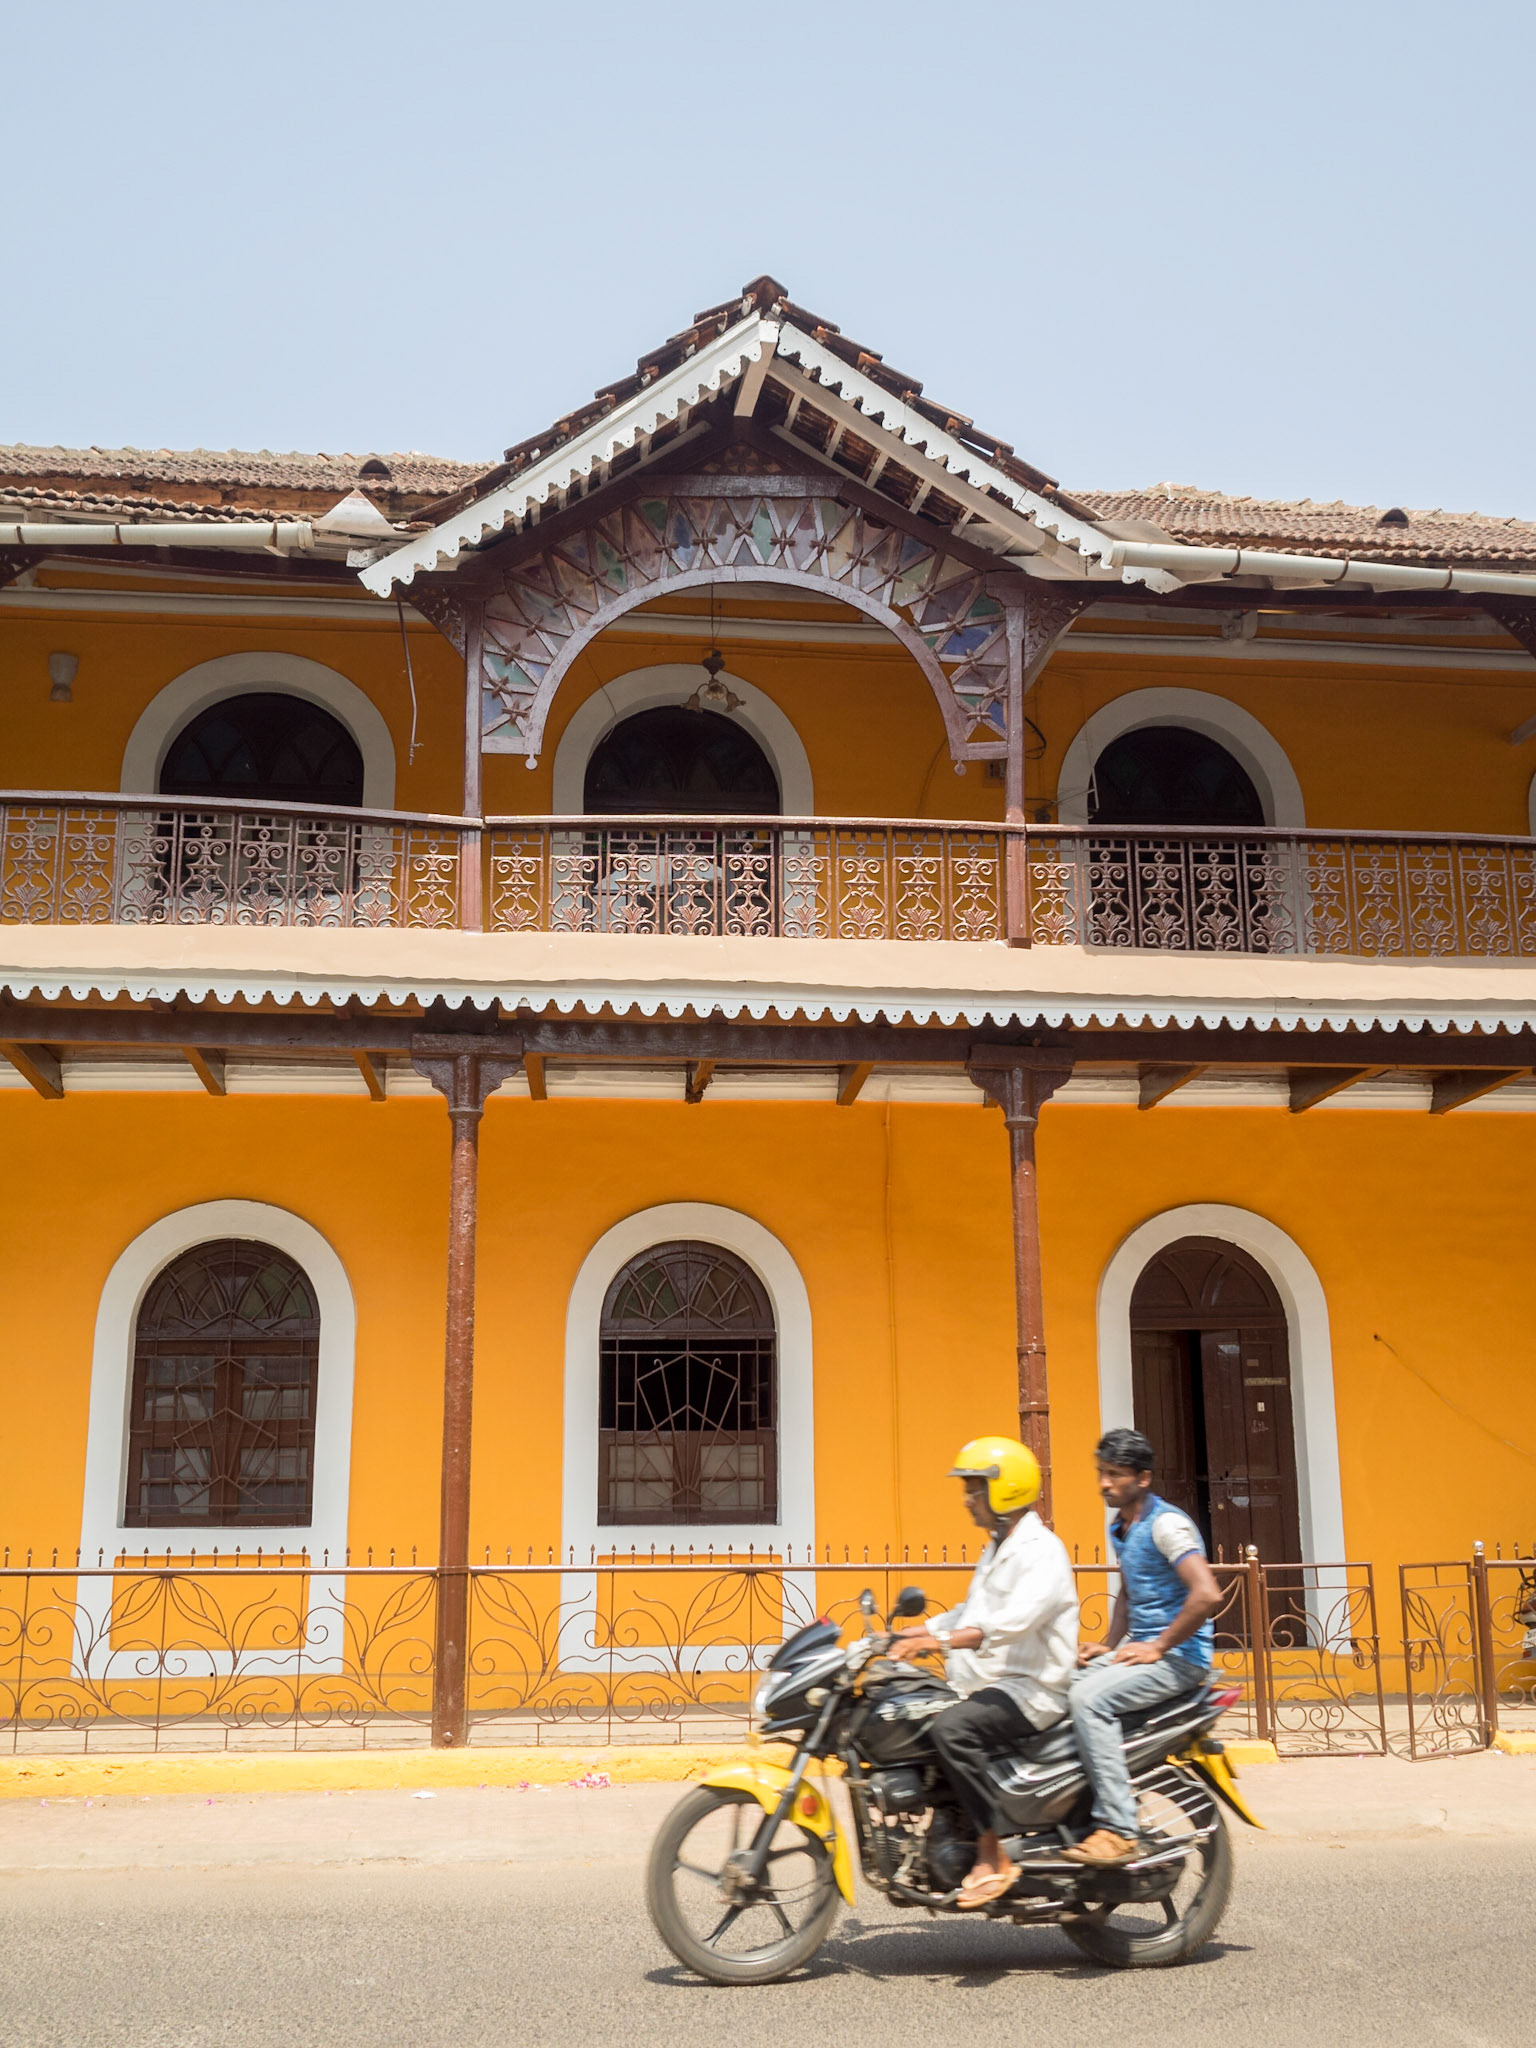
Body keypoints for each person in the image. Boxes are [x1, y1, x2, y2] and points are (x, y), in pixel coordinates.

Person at [891, 1435, 1078, 1908]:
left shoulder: (1042, 1551)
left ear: (1005, 1490)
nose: (967, 1499)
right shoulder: (1000, 1545)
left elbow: (1009, 1624)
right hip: (989, 1683)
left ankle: (994, 1853)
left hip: (1030, 1689)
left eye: (975, 1488)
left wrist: (937, 1641)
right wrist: (911, 1633)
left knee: (952, 1728)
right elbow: (970, 1611)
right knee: (911, 1711)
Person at [1062, 1426, 1224, 1867]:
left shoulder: (1166, 1524)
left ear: (1143, 1478)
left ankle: (1119, 1829)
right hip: (1144, 1653)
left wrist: (1157, 1645)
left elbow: (1208, 1595)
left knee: (1088, 1700)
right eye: (1101, 1472)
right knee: (1057, 1682)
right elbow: (1131, 1591)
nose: (1104, 1484)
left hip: (1180, 1660)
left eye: (1114, 1474)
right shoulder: (1123, 1526)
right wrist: (1108, 1644)